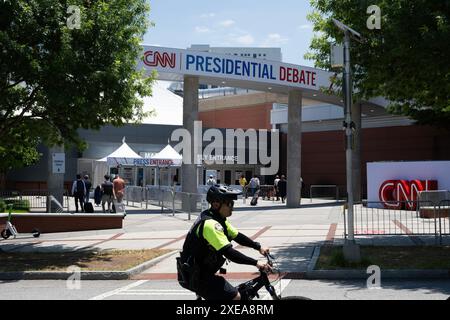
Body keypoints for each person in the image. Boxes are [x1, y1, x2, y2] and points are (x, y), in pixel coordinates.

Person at [178, 185, 272, 300]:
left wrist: (258, 247)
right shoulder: (210, 225)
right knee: (236, 297)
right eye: (229, 204)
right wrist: (256, 263)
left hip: (201, 272)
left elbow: (237, 236)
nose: (232, 207)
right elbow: (229, 253)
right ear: (216, 204)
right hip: (197, 277)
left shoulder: (218, 218)